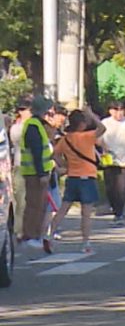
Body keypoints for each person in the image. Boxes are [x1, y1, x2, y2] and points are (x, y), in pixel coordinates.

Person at [50, 108, 106, 253]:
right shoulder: (87, 136)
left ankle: (49, 235)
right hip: (87, 177)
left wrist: (65, 165)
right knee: (86, 213)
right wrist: (91, 114)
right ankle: (85, 242)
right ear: (81, 124)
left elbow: (55, 155)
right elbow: (102, 128)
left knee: (63, 209)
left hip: (72, 177)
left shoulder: (65, 139)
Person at [18, 96, 56, 252]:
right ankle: (30, 236)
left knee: (37, 205)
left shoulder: (35, 124)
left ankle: (33, 235)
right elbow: (37, 151)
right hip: (35, 173)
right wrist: (42, 174)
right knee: (35, 205)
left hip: (35, 172)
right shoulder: (34, 126)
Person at [10, 99, 32, 243]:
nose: (27, 112)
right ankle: (19, 230)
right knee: (20, 200)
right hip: (20, 166)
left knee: (30, 200)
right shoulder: (17, 128)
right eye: (24, 110)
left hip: (32, 167)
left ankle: (28, 229)